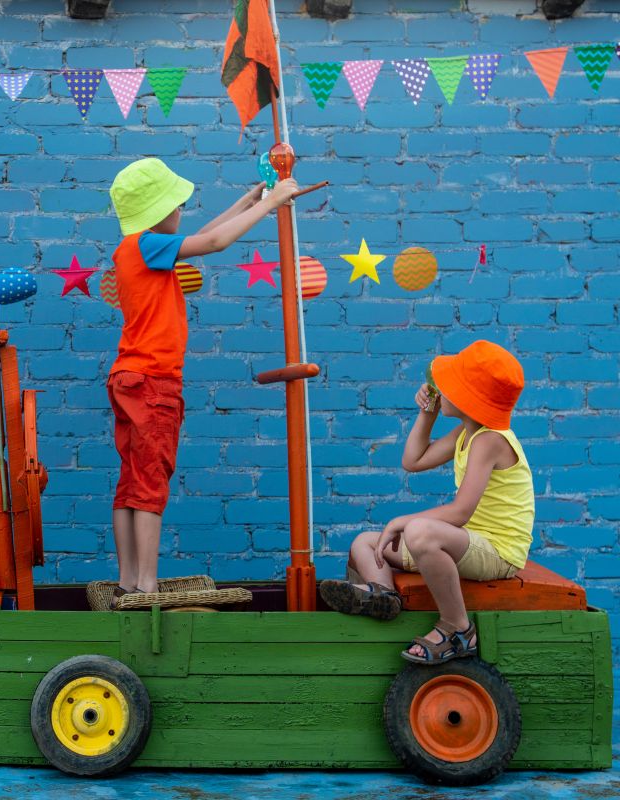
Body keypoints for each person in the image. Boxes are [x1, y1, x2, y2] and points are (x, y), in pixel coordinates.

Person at [105, 157, 297, 604]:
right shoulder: (146, 245)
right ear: (157, 211)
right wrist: (272, 205)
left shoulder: (136, 248)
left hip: (129, 377)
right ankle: (146, 586)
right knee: (151, 481)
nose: (180, 211)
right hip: (153, 382)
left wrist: (249, 199)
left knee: (131, 482)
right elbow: (213, 242)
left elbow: (205, 234)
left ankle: (128, 580)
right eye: (175, 205)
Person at [319, 340, 533, 665]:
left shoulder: (490, 440)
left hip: (498, 551)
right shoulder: (466, 433)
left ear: (469, 399)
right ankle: (382, 595)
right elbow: (413, 461)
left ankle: (457, 628)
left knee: (419, 531)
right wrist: (427, 413)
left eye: (448, 386)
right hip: (469, 542)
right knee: (365, 543)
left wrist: (401, 522)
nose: (438, 388)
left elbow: (460, 512)